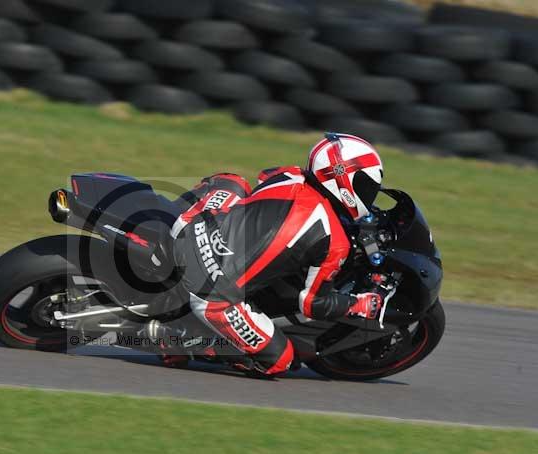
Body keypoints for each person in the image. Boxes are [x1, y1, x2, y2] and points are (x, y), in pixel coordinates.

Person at [165, 132, 385, 376]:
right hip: (212, 291)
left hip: (191, 227)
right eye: (366, 186)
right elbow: (313, 305)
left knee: (233, 181)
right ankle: (182, 341)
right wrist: (358, 304)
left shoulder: (291, 174)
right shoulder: (335, 242)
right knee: (281, 360)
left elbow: (264, 178)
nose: (368, 194)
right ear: (343, 179)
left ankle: (164, 220)